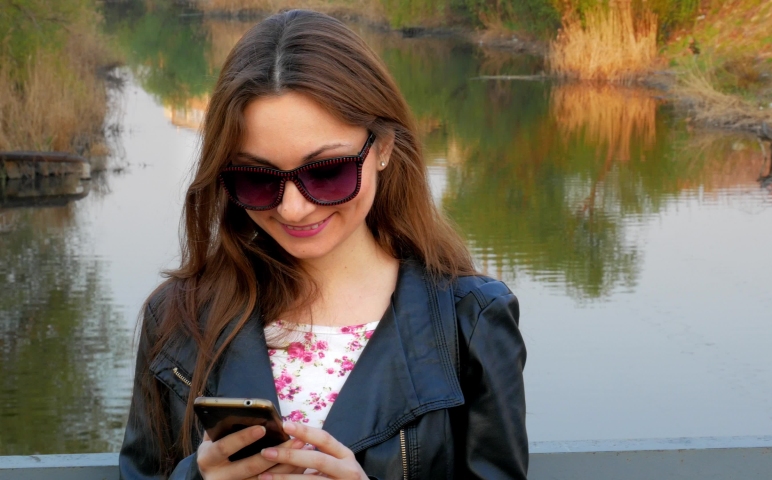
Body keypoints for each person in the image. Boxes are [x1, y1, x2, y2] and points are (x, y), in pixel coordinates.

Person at [119, 9, 527, 480]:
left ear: (384, 147)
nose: (293, 209)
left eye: (326, 172)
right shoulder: (177, 319)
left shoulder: (470, 323)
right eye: (256, 179)